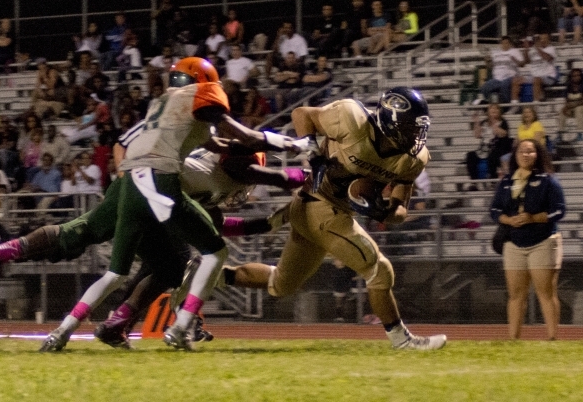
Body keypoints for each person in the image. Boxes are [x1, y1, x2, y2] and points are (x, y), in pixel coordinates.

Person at [35, 57, 313, 351]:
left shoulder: (166, 105)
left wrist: (273, 220)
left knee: (119, 272)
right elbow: (247, 142)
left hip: (130, 182)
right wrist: (297, 146)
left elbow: (220, 155)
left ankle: (62, 332)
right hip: (159, 182)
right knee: (209, 254)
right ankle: (181, 326)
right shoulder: (205, 105)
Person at [216, 87, 447, 350]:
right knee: (379, 270)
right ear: (390, 121)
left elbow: (400, 211)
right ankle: (402, 340)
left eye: (418, 128)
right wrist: (314, 153)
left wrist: (381, 211)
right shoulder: (352, 119)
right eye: (409, 127)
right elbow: (302, 113)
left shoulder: (412, 158)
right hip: (317, 202)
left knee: (279, 284)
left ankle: (212, 275)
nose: (416, 135)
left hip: (330, 212)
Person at [490, 139, 565, 340]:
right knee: (515, 295)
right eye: (522, 151)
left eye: (530, 151)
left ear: (538, 155)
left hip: (543, 240)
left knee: (546, 293)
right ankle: (513, 338)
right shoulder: (507, 182)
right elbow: (495, 210)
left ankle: (552, 338)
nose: (526, 155)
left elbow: (559, 210)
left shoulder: (548, 181)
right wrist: (508, 219)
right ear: (515, 155)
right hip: (514, 242)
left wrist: (533, 218)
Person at [466, 104, 513, 184]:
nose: (494, 110)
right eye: (491, 108)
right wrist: (477, 123)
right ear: (488, 111)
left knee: (493, 156)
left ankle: (493, 182)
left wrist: (495, 126)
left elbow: (504, 134)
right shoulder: (484, 122)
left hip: (497, 148)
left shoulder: (503, 122)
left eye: (496, 108)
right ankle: (474, 183)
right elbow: (477, 135)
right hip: (483, 149)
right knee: (470, 156)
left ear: (499, 111)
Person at [510, 33, 557, 108]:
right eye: (541, 39)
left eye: (545, 38)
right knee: (516, 80)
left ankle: (536, 104)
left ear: (548, 40)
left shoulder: (551, 49)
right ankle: (514, 105)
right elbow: (526, 62)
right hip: (534, 76)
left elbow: (548, 58)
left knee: (537, 79)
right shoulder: (533, 50)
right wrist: (526, 49)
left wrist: (538, 49)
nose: (543, 40)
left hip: (548, 77)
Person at [475, 36, 525, 105]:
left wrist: (515, 60)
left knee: (504, 85)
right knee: (485, 86)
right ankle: (486, 103)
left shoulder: (514, 51)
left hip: (511, 77)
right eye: (503, 43)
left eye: (507, 43)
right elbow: (491, 66)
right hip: (497, 79)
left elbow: (522, 64)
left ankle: (508, 105)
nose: (505, 45)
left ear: (510, 44)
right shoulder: (495, 53)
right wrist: (487, 61)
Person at [557, 68, 583, 139]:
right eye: (574, 76)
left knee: (579, 109)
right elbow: (566, 99)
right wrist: (566, 107)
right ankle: (560, 133)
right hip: (571, 107)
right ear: (571, 77)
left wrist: (571, 105)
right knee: (561, 112)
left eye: (578, 75)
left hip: (580, 108)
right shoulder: (569, 86)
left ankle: (580, 133)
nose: (576, 77)